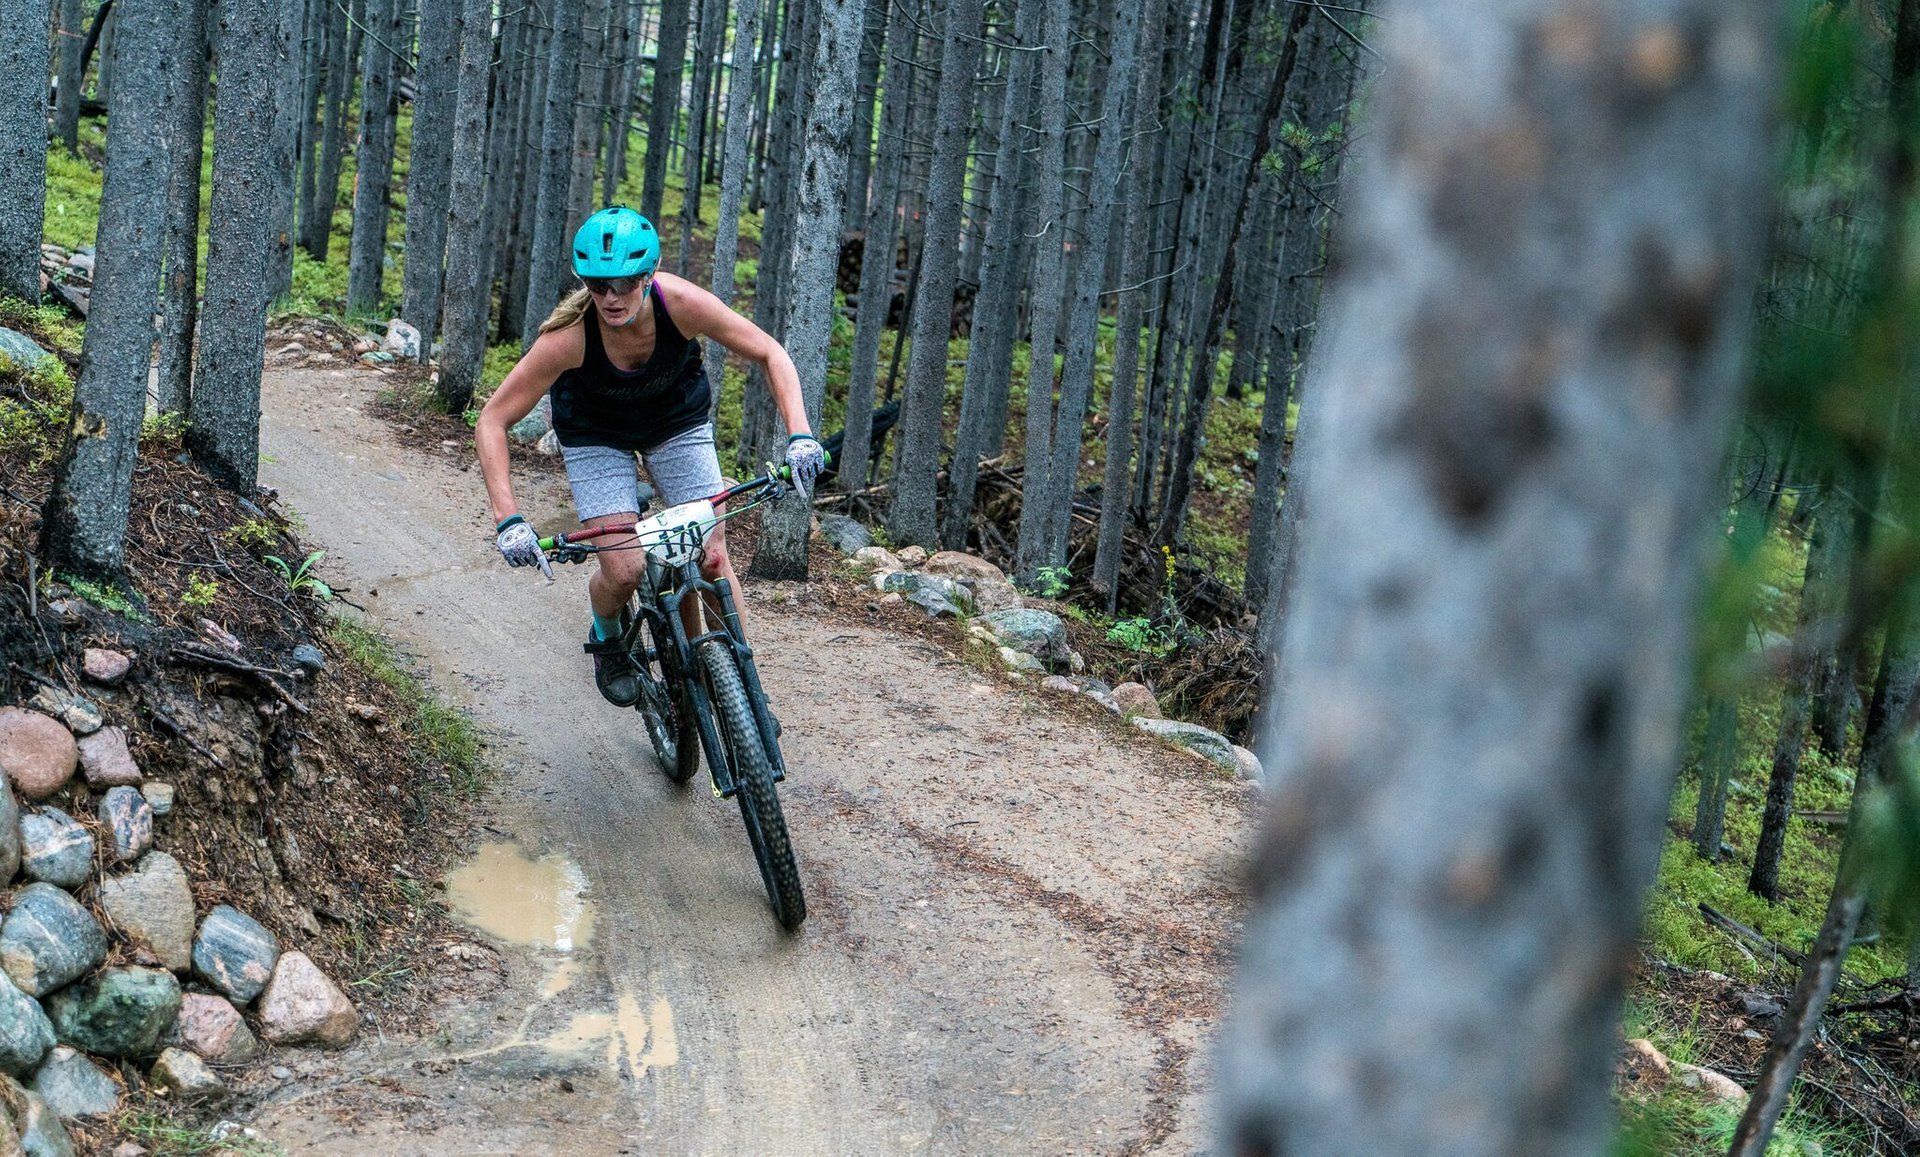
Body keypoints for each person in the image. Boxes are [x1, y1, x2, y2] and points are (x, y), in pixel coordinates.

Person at [475, 206, 825, 706]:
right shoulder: (568, 339)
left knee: (712, 557)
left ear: (648, 274)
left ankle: (746, 693)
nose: (611, 298)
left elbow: (770, 352)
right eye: (597, 285)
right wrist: (507, 518)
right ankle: (609, 637)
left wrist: (800, 435)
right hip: (597, 435)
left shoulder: (679, 302)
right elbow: (492, 420)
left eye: (624, 283)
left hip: (675, 424)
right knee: (624, 569)